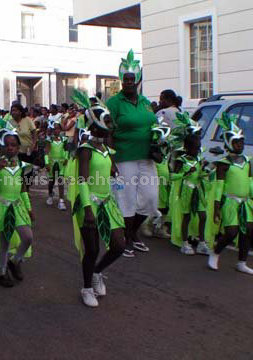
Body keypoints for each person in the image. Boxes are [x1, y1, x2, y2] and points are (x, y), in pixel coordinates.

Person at [69, 91, 125, 307]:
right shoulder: (85, 150)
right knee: (92, 249)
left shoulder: (107, 150)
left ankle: (97, 272)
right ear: (95, 124)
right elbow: (82, 180)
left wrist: (115, 174)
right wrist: (88, 209)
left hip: (107, 202)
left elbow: (112, 172)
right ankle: (86, 288)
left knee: (119, 245)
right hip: (89, 203)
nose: (110, 124)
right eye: (107, 120)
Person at [106, 49, 158, 257]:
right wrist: (110, 160)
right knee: (126, 199)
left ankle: (131, 233)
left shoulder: (145, 102)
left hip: (147, 158)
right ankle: (126, 239)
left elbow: (154, 127)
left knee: (150, 199)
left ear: (137, 80)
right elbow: (107, 132)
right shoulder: (114, 103)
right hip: (124, 157)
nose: (128, 82)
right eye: (125, 79)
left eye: (131, 79)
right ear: (121, 81)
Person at [0, 129, 35, 287]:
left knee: (28, 237)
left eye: (13, 145)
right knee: (4, 243)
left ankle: (15, 261)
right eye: (6, 145)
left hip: (18, 208)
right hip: (2, 209)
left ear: (18, 147)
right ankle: (2, 272)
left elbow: (23, 189)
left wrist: (29, 207)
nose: (10, 148)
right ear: (1, 148)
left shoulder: (22, 166)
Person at [208, 113, 253, 275]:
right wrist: (217, 207)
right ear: (228, 143)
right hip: (230, 202)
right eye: (236, 142)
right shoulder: (223, 164)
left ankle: (241, 262)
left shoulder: (248, 161)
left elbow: (250, 181)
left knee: (248, 231)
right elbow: (219, 187)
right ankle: (215, 252)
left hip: (246, 202)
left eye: (241, 141)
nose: (240, 145)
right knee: (231, 232)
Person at [170, 128, 210, 255]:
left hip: (197, 191)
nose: (197, 151)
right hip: (186, 191)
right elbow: (172, 176)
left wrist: (205, 170)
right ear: (187, 147)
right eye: (195, 148)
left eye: (198, 148)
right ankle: (185, 243)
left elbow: (201, 175)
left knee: (203, 216)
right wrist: (186, 173)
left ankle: (202, 243)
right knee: (186, 217)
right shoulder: (181, 160)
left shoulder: (198, 159)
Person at [45, 121, 68, 210]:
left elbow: (66, 149)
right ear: (52, 130)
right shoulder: (49, 140)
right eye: (55, 129)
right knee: (51, 180)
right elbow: (46, 151)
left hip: (61, 162)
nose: (56, 130)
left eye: (58, 128)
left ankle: (61, 201)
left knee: (60, 181)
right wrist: (46, 162)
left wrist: (66, 158)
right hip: (51, 162)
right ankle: (50, 195)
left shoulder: (64, 139)